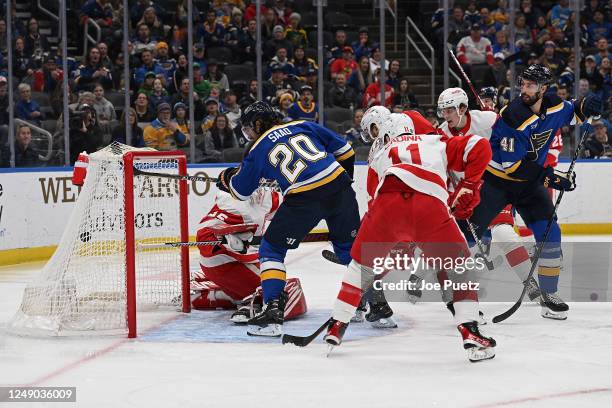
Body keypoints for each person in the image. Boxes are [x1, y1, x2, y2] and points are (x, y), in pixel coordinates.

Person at [324, 112, 496, 362]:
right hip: (429, 206)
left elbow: (374, 198)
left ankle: (337, 323)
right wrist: (469, 186)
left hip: (387, 207)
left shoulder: (379, 154)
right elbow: (479, 146)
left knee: (360, 267)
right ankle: (470, 329)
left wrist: (395, 241)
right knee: (460, 268)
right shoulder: (436, 141)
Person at [458, 64, 602, 320]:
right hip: (496, 182)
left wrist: (589, 104)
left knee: (550, 232)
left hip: (527, 184)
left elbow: (575, 112)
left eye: (530, 85)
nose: (523, 89)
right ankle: (460, 301)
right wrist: (550, 177)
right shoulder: (513, 115)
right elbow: (511, 166)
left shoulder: (555, 106)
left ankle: (549, 295)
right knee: (466, 239)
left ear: (544, 89)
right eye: (522, 84)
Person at [216, 101, 358, 337]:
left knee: (271, 249)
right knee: (349, 249)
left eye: (249, 128)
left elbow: (241, 192)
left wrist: (227, 178)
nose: (249, 133)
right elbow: (347, 151)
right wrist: (342, 184)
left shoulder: (258, 147)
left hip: (305, 198)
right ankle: (376, 305)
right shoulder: (304, 125)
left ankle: (272, 314)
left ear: (258, 124)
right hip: (340, 187)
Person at [192, 185, 308, 323]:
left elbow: (288, 205)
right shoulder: (234, 204)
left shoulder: (265, 196)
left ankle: (216, 294)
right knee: (284, 291)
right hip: (226, 264)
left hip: (222, 266)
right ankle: (252, 303)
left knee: (269, 278)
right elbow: (203, 237)